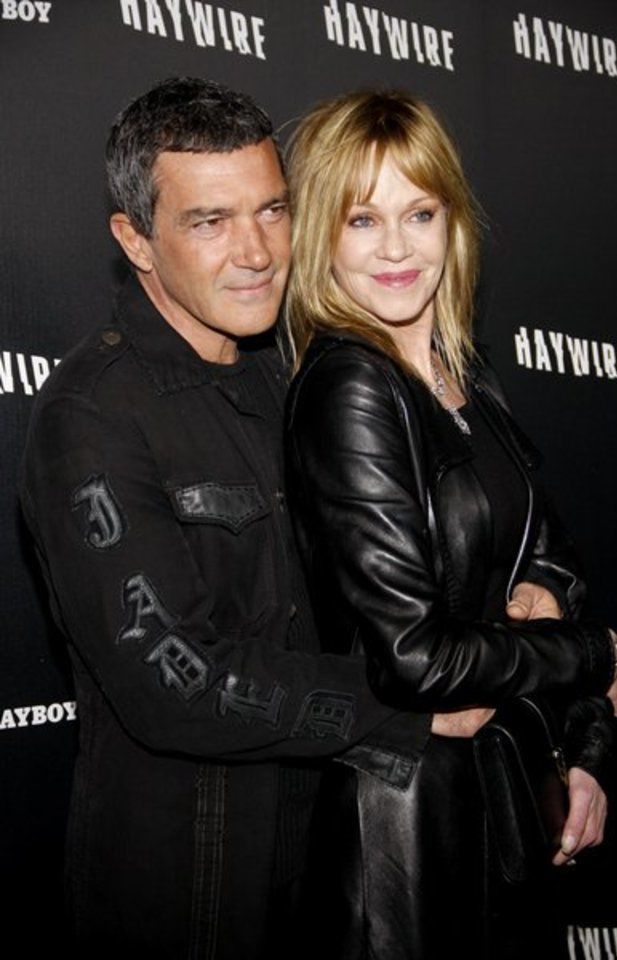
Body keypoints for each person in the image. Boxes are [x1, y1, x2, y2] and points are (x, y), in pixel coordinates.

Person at [18, 78, 430, 960]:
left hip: (330, 881)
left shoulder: (298, 379)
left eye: (272, 210)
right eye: (209, 221)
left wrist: (526, 601)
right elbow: (178, 684)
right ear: (135, 239)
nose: (257, 252)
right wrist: (411, 708)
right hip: (183, 904)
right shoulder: (91, 417)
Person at [284, 90, 617, 959]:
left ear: (452, 221)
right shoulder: (351, 387)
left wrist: (585, 750)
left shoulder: (464, 376)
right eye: (363, 220)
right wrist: (593, 654)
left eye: (420, 213)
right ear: (322, 234)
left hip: (500, 800)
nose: (398, 248)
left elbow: (555, 566)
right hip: (407, 836)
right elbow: (417, 658)